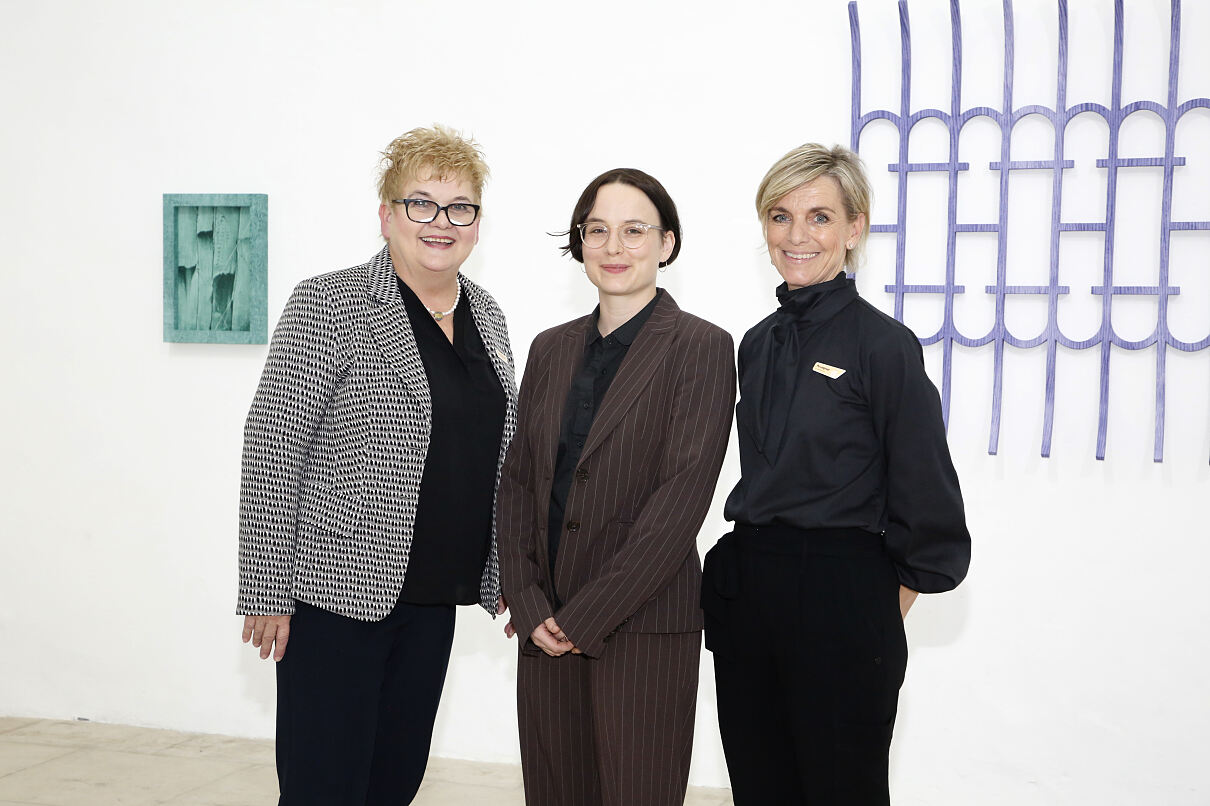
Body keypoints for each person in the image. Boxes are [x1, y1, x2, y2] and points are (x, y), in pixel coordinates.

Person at [236, 125, 517, 806]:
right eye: (421, 203)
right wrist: (266, 589)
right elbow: (272, 447)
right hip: (336, 598)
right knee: (324, 787)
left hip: (434, 600)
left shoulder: (488, 315)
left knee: (394, 782)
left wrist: (508, 569)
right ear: (387, 214)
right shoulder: (328, 304)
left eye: (460, 207)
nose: (440, 222)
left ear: (477, 224)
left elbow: (497, 455)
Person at [702, 143, 971, 805]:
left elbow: (927, 498)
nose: (798, 235)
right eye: (781, 215)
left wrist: (874, 610)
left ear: (855, 228)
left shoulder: (885, 346)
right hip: (751, 590)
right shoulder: (757, 343)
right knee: (760, 789)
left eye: (820, 217)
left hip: (843, 597)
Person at [497, 168, 735, 806]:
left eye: (635, 231)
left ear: (667, 243)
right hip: (544, 629)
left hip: (644, 629)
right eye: (597, 230)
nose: (613, 246)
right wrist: (525, 599)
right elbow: (519, 482)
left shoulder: (703, 347)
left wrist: (585, 617)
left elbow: (679, 504)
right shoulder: (549, 348)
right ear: (578, 243)